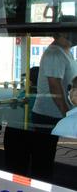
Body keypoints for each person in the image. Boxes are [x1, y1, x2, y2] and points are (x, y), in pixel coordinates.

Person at [31, 15, 77, 179]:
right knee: (48, 160)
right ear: (63, 33)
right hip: (49, 116)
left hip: (59, 116)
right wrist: (66, 114)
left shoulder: (66, 52)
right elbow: (54, 86)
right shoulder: (54, 54)